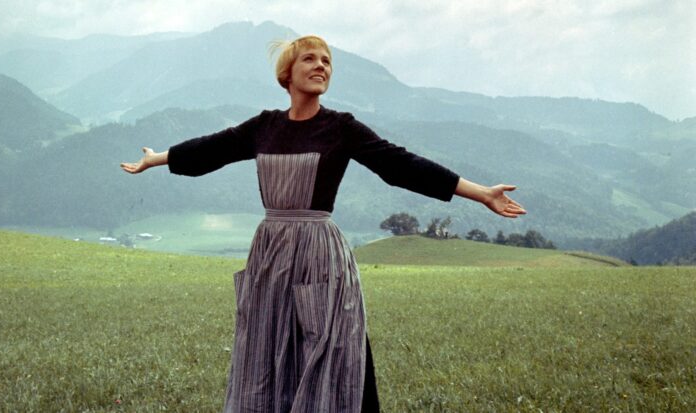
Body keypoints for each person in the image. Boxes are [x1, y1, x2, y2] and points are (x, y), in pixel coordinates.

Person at [121, 35, 525, 413]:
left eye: (327, 61)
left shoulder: (341, 128)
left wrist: (481, 193)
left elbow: (401, 165)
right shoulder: (264, 127)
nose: (321, 66)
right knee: (266, 351)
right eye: (310, 59)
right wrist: (158, 158)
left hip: (320, 255)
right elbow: (211, 149)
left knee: (335, 348)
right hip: (271, 257)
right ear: (287, 73)